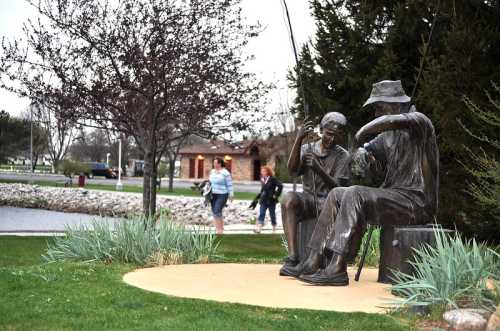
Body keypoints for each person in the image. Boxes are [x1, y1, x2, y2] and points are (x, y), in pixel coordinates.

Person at [298, 80, 439, 286]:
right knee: (338, 193)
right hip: (395, 199)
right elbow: (366, 152)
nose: (375, 113)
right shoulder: (387, 138)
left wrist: (360, 133)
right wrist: (362, 155)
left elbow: (391, 122)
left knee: (355, 193)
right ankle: (314, 258)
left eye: (378, 107)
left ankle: (337, 267)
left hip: (417, 202)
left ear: (394, 104)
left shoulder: (420, 122)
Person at [279, 112, 351, 277]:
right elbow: (292, 171)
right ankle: (293, 256)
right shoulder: (307, 149)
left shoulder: (343, 156)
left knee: (329, 204)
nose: (332, 139)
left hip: (328, 204)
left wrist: (319, 170)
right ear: (321, 130)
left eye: (336, 136)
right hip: (308, 201)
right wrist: (298, 140)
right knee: (288, 199)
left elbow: (340, 188)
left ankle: (316, 262)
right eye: (329, 134)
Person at [249, 165, 283, 233]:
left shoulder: (272, 179)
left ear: (268, 172)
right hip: (263, 200)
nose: (262, 172)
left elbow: (280, 185)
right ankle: (259, 228)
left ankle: (274, 228)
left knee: (272, 214)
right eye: (262, 171)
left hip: (271, 200)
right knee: (262, 213)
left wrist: (276, 195)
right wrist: (256, 199)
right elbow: (262, 190)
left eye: (264, 171)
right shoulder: (262, 179)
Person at [209, 157, 234, 234]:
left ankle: (219, 231)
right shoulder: (212, 171)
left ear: (220, 163)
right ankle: (219, 229)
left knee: (217, 210)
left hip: (222, 194)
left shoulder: (225, 173)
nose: (214, 164)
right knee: (215, 211)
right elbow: (209, 182)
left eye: (216, 163)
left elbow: (229, 184)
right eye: (214, 163)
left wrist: (231, 194)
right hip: (213, 194)